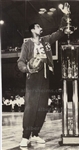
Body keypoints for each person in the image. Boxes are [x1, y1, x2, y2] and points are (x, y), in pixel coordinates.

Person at [17, 4, 69, 147]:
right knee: (31, 107)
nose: (41, 29)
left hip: (45, 75)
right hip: (33, 76)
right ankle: (25, 136)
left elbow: (60, 32)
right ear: (33, 30)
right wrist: (27, 68)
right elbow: (20, 61)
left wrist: (65, 16)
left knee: (42, 107)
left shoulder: (46, 40)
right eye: (39, 27)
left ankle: (35, 134)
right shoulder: (27, 44)